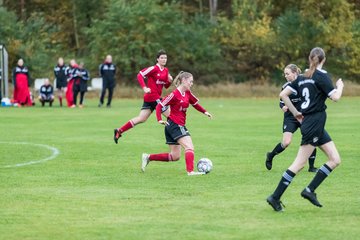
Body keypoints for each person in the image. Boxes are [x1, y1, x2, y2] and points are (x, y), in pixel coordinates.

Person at [266, 47, 344, 212]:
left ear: (310, 59)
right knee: (299, 164)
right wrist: (340, 86)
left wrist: (296, 112)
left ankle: (310, 190)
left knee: (335, 159)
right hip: (313, 124)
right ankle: (275, 197)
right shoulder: (321, 76)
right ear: (323, 59)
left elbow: (283, 95)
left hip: (314, 124)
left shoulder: (302, 77)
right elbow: (335, 97)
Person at [141, 71, 212, 176]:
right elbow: (160, 105)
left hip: (174, 125)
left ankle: (148, 157)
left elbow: (195, 104)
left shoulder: (187, 93)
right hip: (175, 125)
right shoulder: (174, 94)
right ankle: (190, 171)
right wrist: (159, 119)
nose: (191, 84)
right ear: (183, 80)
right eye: (190, 81)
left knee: (175, 156)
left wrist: (205, 112)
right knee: (189, 147)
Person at [266, 64, 317, 172]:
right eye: (285, 74)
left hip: (304, 116)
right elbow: (281, 102)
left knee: (311, 137)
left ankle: (311, 167)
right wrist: (283, 107)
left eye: (287, 74)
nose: (285, 76)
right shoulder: (286, 87)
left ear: (295, 73)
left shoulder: (304, 83)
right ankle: (270, 155)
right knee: (286, 142)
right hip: (290, 117)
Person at [113, 49, 173, 143]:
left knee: (141, 118)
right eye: (161, 58)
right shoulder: (153, 68)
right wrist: (144, 88)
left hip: (152, 98)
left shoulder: (166, 70)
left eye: (165, 58)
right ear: (157, 59)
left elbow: (165, 86)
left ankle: (119, 131)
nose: (164, 59)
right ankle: (175, 139)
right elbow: (140, 75)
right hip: (153, 97)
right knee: (171, 116)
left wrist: (169, 81)